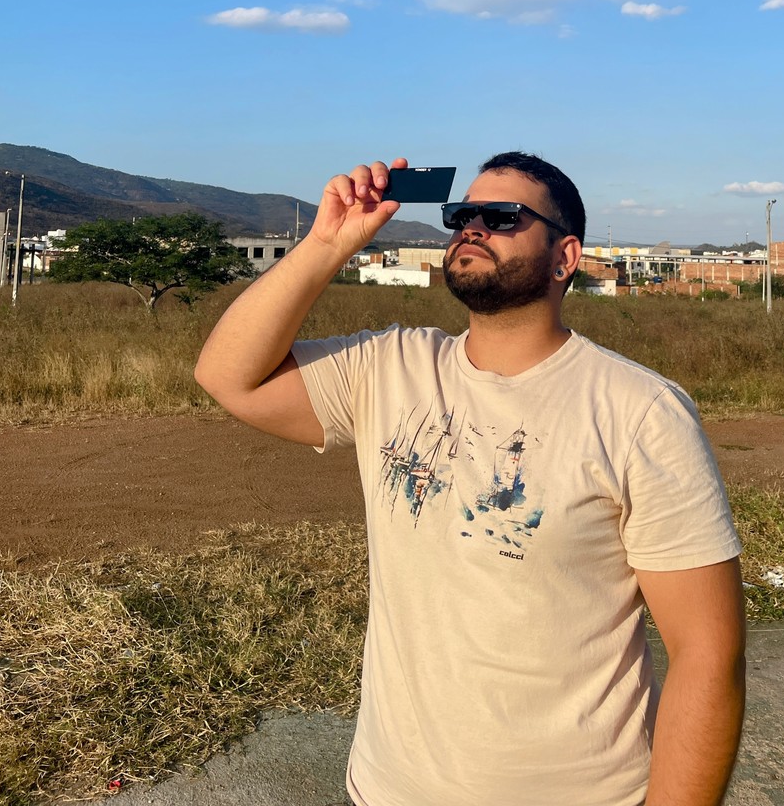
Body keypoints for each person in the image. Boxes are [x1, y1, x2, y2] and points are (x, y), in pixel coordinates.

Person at [195, 151, 746, 805]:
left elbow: (708, 657)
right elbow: (227, 376)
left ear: (564, 258)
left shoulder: (639, 411)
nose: (472, 227)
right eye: (463, 215)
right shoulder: (391, 367)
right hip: (389, 789)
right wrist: (326, 243)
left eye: (503, 216)